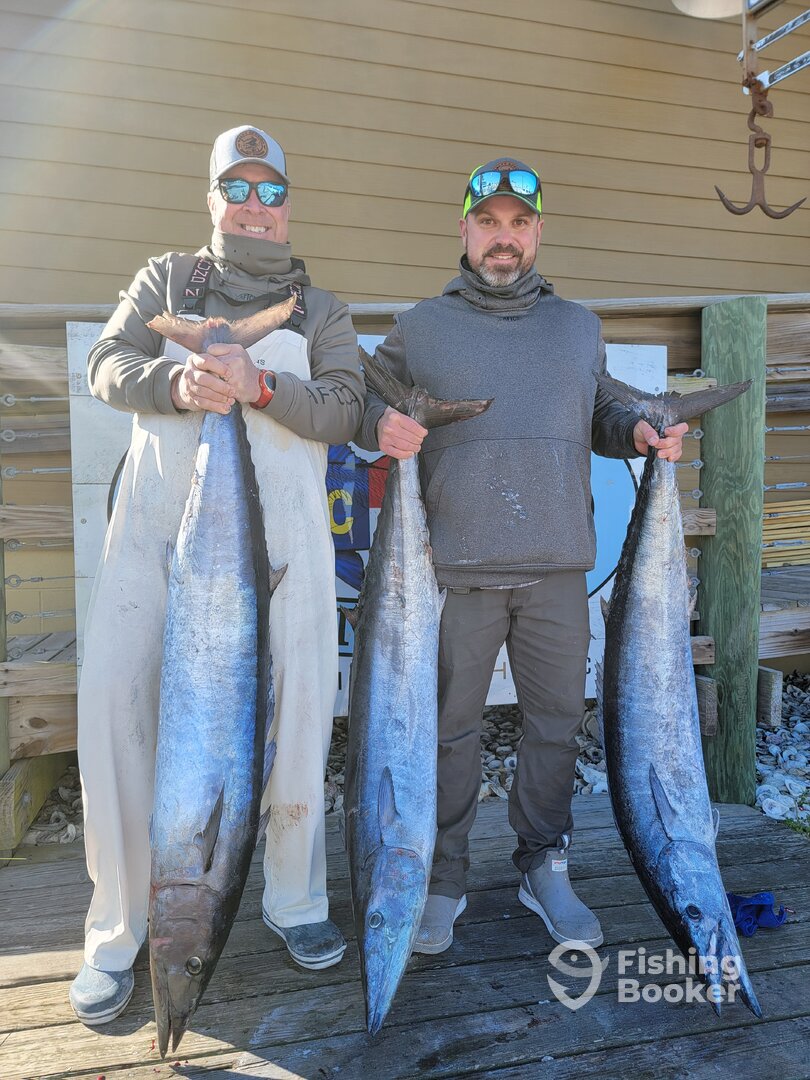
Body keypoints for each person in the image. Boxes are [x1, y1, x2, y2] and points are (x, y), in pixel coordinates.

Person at [69, 125, 364, 1024]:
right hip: (153, 549)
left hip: (288, 556)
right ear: (212, 200)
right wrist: (176, 385)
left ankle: (295, 900)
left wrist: (260, 387)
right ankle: (118, 930)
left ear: (288, 206)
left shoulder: (322, 310)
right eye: (237, 188)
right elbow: (105, 365)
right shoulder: (163, 280)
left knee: (301, 716)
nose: (254, 205)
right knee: (116, 715)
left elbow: (346, 408)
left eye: (270, 191)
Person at [355, 157, 686, 956]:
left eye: (518, 223)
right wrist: (377, 426)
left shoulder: (577, 327)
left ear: (538, 232)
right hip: (454, 573)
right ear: (464, 230)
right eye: (488, 223)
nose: (503, 238)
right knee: (445, 732)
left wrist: (639, 431)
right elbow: (365, 400)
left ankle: (544, 865)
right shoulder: (420, 326)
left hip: (557, 571)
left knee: (556, 726)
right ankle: (441, 878)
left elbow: (603, 414)